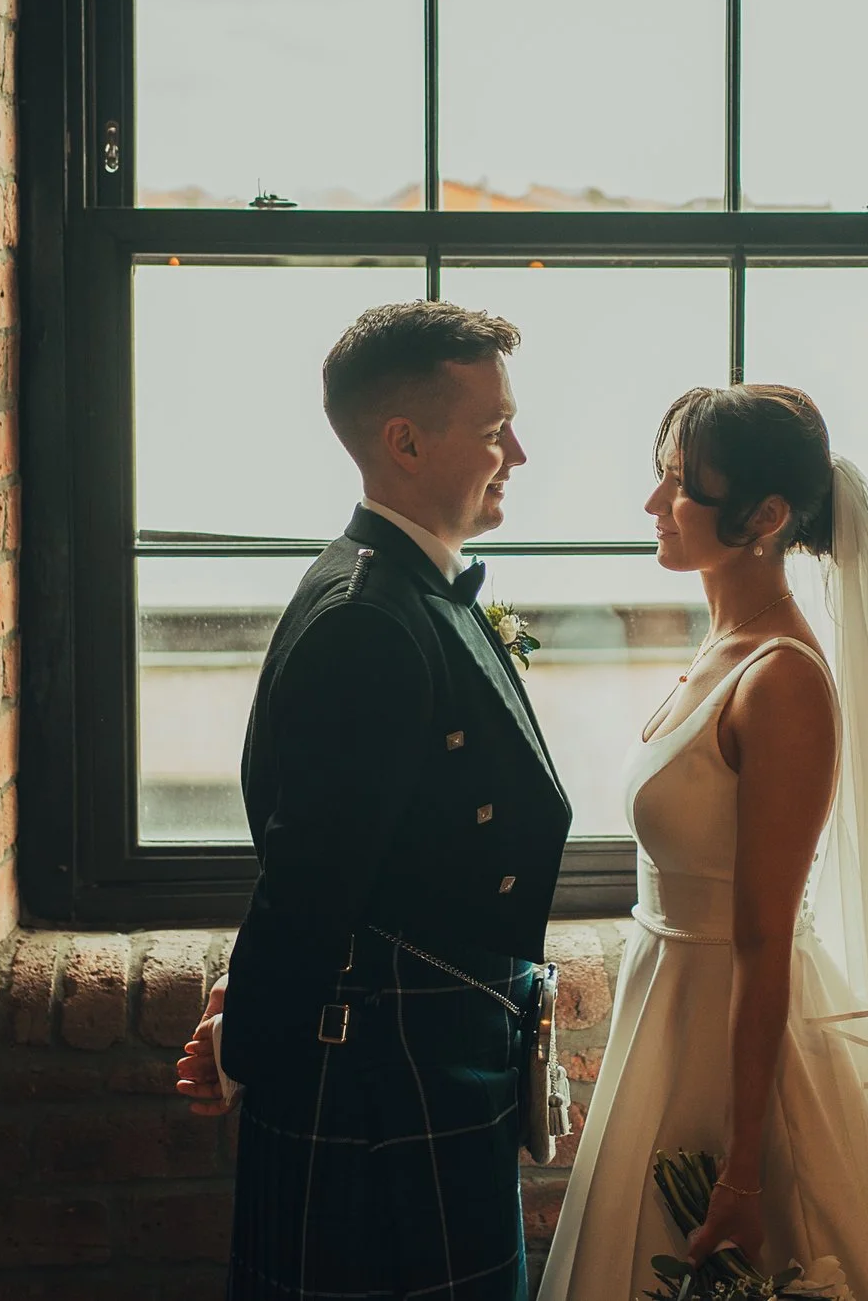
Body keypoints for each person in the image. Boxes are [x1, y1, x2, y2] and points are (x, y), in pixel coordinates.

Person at [537, 384, 868, 1301]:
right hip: (666, 1008)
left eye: (678, 485)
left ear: (767, 516)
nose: (651, 505)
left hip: (736, 1030)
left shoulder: (782, 679)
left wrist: (745, 1167)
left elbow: (762, 935)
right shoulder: (719, 648)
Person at [175, 300, 573, 1301]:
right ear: (403, 440)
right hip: (386, 1075)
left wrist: (241, 1015)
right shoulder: (369, 619)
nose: (516, 452)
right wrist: (246, 1039)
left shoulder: (402, 586)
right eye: (493, 430)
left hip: (427, 1052)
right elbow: (312, 877)